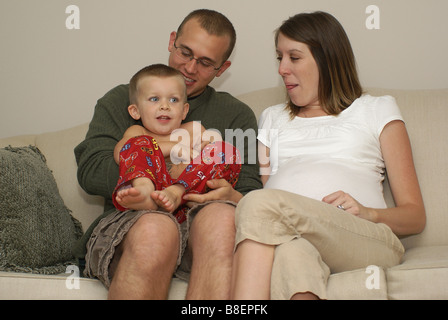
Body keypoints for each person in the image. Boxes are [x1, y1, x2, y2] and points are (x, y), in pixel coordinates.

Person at [230, 11, 426, 300]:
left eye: (294, 57)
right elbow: (269, 205)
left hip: (363, 237)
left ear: (327, 59)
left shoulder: (376, 109)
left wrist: (369, 213)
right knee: (291, 253)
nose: (282, 69)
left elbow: (415, 217)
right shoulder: (271, 118)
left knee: (258, 202)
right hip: (294, 236)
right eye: (279, 58)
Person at [74, 9, 262, 299]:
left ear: (221, 69)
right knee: (157, 229)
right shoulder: (123, 98)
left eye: (205, 62)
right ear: (172, 41)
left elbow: (249, 192)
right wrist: (165, 167)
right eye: (185, 52)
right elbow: (91, 172)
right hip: (134, 224)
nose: (189, 67)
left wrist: (224, 192)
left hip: (200, 224)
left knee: (224, 221)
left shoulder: (236, 115)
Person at [112, 64, 241, 224]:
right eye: (154, 99)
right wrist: (173, 148)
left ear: (184, 110)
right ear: (135, 111)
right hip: (154, 196)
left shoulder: (193, 130)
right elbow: (120, 153)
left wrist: (208, 146)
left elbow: (218, 160)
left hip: (189, 199)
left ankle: (176, 192)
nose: (165, 106)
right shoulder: (138, 132)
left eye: (173, 100)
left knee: (227, 151)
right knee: (135, 144)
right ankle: (145, 191)